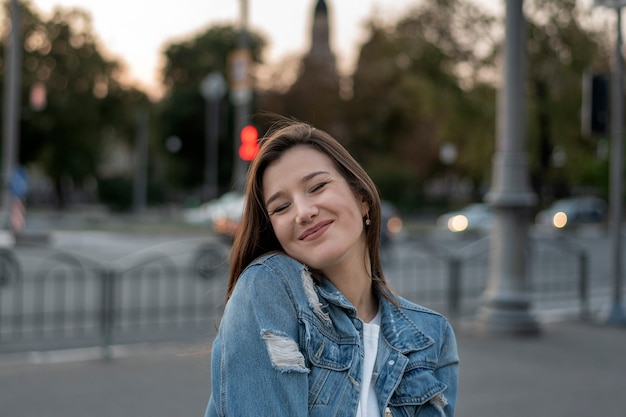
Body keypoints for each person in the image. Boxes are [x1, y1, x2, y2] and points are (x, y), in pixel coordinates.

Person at [204, 119, 459, 417]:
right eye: (281, 207)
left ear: (362, 198)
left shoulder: (431, 336)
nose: (303, 212)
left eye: (317, 187)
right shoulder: (266, 288)